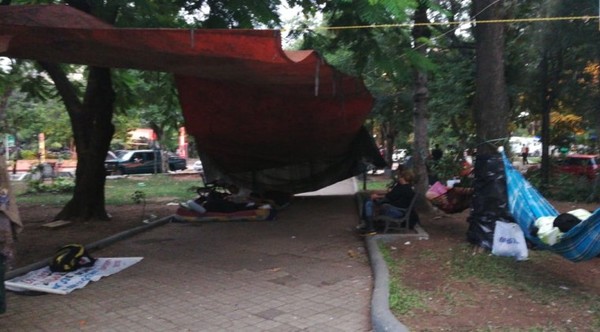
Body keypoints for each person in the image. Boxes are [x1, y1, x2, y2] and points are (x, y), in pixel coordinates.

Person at [358, 169, 419, 234]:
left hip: (396, 211)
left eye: (400, 176)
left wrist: (377, 196)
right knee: (369, 201)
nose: (399, 178)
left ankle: (369, 226)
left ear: (403, 178)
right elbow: (390, 195)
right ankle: (368, 224)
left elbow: (389, 197)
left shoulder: (404, 189)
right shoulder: (405, 187)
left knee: (368, 202)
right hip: (397, 209)